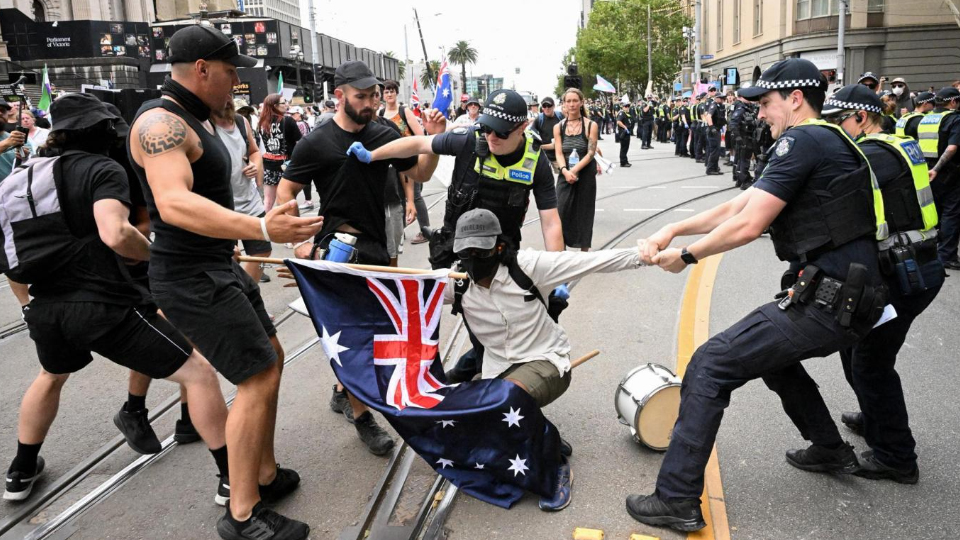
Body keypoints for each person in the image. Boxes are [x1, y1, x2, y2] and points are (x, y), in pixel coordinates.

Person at [627, 58, 889, 532]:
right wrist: (673, 227)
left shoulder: (803, 137)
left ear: (795, 99)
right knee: (773, 359)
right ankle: (830, 449)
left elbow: (748, 225)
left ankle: (676, 498)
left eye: (766, 103)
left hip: (831, 301)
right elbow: (740, 202)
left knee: (710, 364)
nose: (759, 114)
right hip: (844, 298)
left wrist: (685, 256)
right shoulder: (819, 140)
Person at [127, 26, 323, 540]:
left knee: (272, 356)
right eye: (232, 71)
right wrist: (261, 228)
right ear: (202, 69)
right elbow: (172, 203)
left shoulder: (199, 118)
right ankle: (241, 514)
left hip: (217, 265)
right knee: (256, 376)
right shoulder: (160, 122)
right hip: (190, 277)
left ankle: (263, 474)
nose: (238, 82)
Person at [2, 94, 230, 510]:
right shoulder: (102, 168)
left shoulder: (22, 175)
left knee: (50, 376)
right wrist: (159, 253)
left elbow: (10, 256)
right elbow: (116, 233)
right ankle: (233, 477)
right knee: (198, 373)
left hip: (48, 308)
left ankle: (20, 470)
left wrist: (28, 306)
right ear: (101, 132)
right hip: (104, 304)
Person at [275, 60, 443, 456]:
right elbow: (285, 192)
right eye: (361, 96)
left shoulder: (383, 134)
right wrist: (297, 241)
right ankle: (364, 417)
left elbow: (420, 174)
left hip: (378, 251)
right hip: (336, 255)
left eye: (372, 96)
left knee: (379, 330)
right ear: (339, 95)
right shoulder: (316, 142)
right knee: (354, 339)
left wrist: (434, 140)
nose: (369, 103)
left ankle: (350, 392)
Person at [447, 208, 650, 511]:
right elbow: (400, 292)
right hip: (496, 369)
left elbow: (590, 262)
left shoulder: (527, 266)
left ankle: (556, 467)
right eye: (466, 252)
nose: (473, 259)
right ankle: (541, 435)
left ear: (499, 247)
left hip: (546, 361)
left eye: (481, 251)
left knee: (508, 399)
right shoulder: (456, 281)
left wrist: (647, 255)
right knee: (474, 418)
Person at [820, 84, 942, 483]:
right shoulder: (895, 142)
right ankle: (876, 418)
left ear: (861, 117)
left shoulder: (872, 153)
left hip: (906, 273)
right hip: (913, 265)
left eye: (839, 123)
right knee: (854, 346)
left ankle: (896, 456)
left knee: (870, 362)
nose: (835, 131)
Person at [213, 97, 270, 283]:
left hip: (249, 201)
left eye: (229, 96)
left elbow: (254, 151)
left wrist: (255, 163)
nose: (226, 100)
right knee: (228, 258)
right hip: (220, 207)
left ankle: (248, 295)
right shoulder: (202, 125)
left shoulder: (240, 121)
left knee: (262, 252)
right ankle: (240, 300)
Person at [382, 79, 431, 245]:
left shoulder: (404, 111)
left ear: (396, 93)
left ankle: (426, 230)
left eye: (392, 91)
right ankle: (399, 230)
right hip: (391, 163)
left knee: (415, 196)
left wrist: (420, 159)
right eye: (386, 92)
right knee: (398, 196)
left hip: (409, 160)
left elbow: (420, 136)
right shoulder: (381, 114)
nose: (389, 94)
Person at [918, 87, 960, 269]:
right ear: (952, 102)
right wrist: (937, 168)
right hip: (948, 173)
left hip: (926, 172)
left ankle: (932, 252)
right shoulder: (955, 119)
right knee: (952, 213)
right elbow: (952, 148)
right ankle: (946, 256)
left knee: (935, 213)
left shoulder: (925, 119)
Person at [554, 88, 599, 251]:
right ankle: (562, 250)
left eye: (575, 101)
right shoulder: (558, 127)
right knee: (561, 210)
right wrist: (565, 171)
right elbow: (558, 152)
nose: (572, 104)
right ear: (564, 104)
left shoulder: (591, 125)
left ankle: (584, 252)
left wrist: (575, 170)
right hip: (565, 173)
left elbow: (591, 152)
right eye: (568, 101)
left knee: (585, 212)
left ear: (581, 102)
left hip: (585, 173)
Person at [257, 93, 301, 213]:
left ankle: (264, 227)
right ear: (275, 105)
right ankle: (288, 225)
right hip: (287, 166)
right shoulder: (288, 121)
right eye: (283, 102)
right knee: (287, 200)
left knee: (268, 201)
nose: (286, 105)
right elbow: (300, 141)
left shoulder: (261, 123)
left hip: (269, 165)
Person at [0, 99, 30, 179]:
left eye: (3, 111)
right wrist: (6, 143)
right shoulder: (10, 140)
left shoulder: (19, 139)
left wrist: (24, 157)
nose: (0, 113)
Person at [532, 97, 563, 168]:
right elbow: (532, 133)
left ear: (554, 106)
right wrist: (538, 146)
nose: (547, 108)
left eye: (549, 106)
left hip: (559, 156)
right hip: (544, 156)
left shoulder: (560, 116)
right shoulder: (539, 119)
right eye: (544, 106)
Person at [703, 88, 726, 176]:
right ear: (717, 98)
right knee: (714, 151)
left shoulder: (719, 105)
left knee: (717, 150)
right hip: (713, 130)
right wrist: (712, 127)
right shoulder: (714, 105)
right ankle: (710, 169)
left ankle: (715, 168)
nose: (723, 99)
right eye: (721, 98)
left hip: (717, 129)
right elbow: (708, 116)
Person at [617, 102, 633, 167]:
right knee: (623, 148)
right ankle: (623, 162)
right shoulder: (621, 113)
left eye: (628, 106)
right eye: (626, 106)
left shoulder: (626, 113)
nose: (627, 108)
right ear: (623, 107)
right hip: (623, 132)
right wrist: (625, 127)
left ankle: (625, 161)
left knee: (626, 148)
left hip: (627, 133)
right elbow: (618, 122)